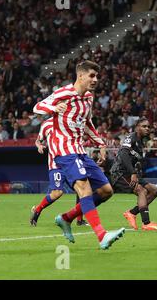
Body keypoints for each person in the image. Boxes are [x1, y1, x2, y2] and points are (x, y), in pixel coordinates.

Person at [33, 60, 125, 249]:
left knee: (106, 191)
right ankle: (102, 236)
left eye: (97, 76)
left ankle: (66, 218)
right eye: (92, 75)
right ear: (80, 75)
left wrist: (100, 143)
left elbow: (87, 123)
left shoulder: (89, 97)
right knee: (84, 188)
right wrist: (52, 108)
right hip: (64, 151)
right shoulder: (63, 93)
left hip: (80, 151)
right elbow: (38, 107)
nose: (95, 79)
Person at [29, 117, 91, 226]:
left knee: (82, 189)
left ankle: (80, 220)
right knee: (57, 193)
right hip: (56, 164)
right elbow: (38, 140)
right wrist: (39, 146)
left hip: (71, 162)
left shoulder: (70, 122)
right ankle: (37, 210)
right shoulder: (47, 124)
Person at [110, 117, 157, 231]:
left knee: (154, 190)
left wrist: (136, 169)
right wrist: (133, 172)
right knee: (142, 191)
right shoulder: (131, 137)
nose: (147, 129)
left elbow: (134, 159)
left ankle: (132, 213)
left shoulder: (141, 142)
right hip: (120, 172)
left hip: (130, 172)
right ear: (137, 127)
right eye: (144, 126)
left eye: (148, 127)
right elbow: (124, 154)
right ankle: (146, 223)